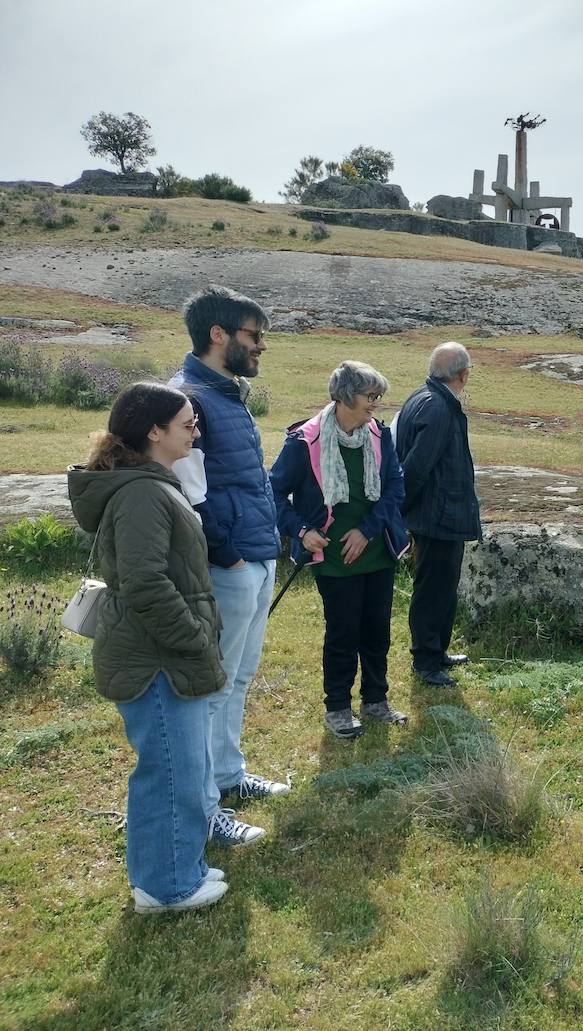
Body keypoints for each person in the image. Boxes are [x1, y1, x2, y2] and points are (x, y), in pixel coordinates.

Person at [68, 383, 230, 913]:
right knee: (169, 770)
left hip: (158, 652)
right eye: (187, 423)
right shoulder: (142, 493)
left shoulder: (150, 483)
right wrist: (194, 637)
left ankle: (175, 869)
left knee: (173, 766)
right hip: (156, 658)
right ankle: (168, 888)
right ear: (153, 432)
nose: (195, 430)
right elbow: (145, 584)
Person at [169, 286, 287, 848]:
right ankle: (205, 808)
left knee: (238, 678)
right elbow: (186, 494)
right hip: (232, 563)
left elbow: (244, 477)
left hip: (257, 556)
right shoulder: (185, 397)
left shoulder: (226, 394)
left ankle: (228, 776)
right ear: (219, 335)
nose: (261, 346)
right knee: (212, 687)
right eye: (254, 335)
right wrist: (229, 552)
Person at [269, 361, 409, 738]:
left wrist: (366, 530)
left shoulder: (380, 434)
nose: (376, 405)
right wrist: (301, 531)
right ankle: (338, 708)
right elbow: (274, 493)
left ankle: (376, 702)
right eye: (370, 396)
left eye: (378, 397)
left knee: (377, 630)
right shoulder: (304, 441)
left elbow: (395, 487)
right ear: (346, 396)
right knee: (343, 632)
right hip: (331, 560)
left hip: (377, 551)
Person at [394, 342, 483, 686]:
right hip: (438, 516)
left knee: (443, 586)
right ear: (464, 374)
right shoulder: (439, 408)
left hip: (440, 513)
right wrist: (402, 511)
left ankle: (437, 651)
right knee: (432, 588)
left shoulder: (425, 398)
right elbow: (416, 468)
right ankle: (426, 660)